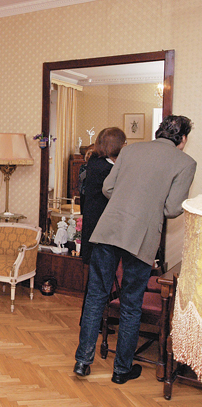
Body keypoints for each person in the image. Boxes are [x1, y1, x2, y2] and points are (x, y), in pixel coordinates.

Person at [73, 115, 196, 384]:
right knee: (131, 305)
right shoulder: (186, 162)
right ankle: (121, 370)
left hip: (109, 229)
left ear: (159, 132)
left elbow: (108, 187)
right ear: (183, 138)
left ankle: (82, 362)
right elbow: (172, 208)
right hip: (142, 237)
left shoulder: (130, 150)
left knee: (96, 297)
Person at [78, 128, 127, 328]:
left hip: (96, 228)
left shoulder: (95, 163)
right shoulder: (105, 169)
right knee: (97, 281)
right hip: (100, 231)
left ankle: (94, 321)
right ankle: (93, 322)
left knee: (97, 280)